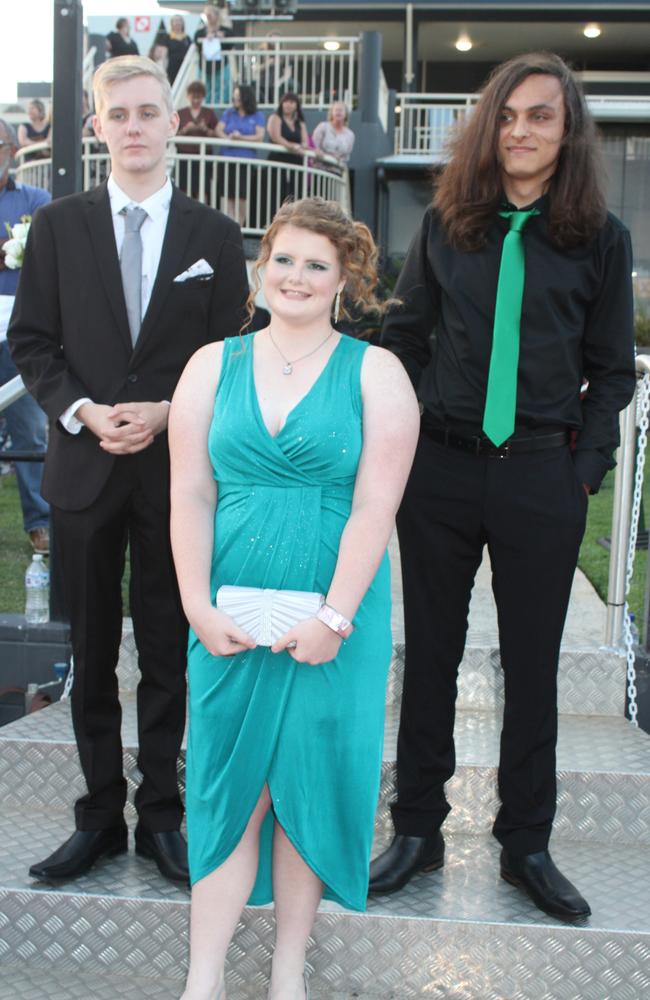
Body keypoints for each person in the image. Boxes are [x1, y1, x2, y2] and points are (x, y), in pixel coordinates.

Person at [368, 52, 636, 922]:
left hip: (541, 476)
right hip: (441, 472)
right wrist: (401, 438)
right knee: (432, 657)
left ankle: (525, 843)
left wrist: (583, 471)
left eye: (542, 117)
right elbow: (406, 338)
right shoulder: (452, 223)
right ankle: (416, 829)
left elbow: (611, 372)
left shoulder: (600, 237)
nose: (521, 130)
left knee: (532, 667)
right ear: (492, 124)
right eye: (510, 115)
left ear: (568, 132)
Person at [168, 196, 420, 1000]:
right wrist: (197, 608)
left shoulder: (377, 372)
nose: (297, 276)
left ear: (345, 278)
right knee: (225, 789)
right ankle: (200, 983)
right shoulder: (212, 364)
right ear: (260, 268)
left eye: (318, 264)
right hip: (228, 613)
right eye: (284, 259)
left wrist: (334, 618)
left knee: (307, 786)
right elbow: (190, 495)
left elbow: (376, 509)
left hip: (331, 618)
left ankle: (287, 978)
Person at [9, 55, 249, 886]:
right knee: (90, 647)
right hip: (83, 468)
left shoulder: (213, 236)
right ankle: (100, 814)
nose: (137, 126)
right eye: (122, 114)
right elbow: (33, 344)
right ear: (97, 124)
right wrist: (81, 411)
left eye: (151, 111)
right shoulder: (58, 228)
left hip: (176, 477)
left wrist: (169, 412)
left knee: (167, 649)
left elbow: (229, 358)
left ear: (175, 120)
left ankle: (162, 816)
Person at [0, 118, 50, 554]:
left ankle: (40, 523)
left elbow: (51, 252)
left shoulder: (35, 201)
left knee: (31, 429)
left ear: (13, 150)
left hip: (16, 337)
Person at [216, 85, 265, 227]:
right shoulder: (229, 113)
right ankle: (228, 225)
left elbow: (259, 136)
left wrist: (241, 138)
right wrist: (228, 137)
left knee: (242, 195)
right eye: (234, 96)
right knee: (227, 193)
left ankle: (239, 226)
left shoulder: (257, 115)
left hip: (245, 161)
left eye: (238, 96)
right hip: (227, 158)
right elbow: (218, 129)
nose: (235, 99)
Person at [177, 81, 219, 202]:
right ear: (188, 96)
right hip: (185, 154)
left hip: (204, 155)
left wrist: (205, 129)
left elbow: (216, 134)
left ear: (203, 97)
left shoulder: (209, 113)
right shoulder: (181, 113)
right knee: (185, 187)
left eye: (199, 97)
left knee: (204, 187)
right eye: (193, 97)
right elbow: (173, 134)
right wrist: (185, 130)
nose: (195, 100)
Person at [266, 92, 309, 207]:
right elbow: (276, 137)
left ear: (296, 105)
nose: (288, 105)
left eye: (291, 102)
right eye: (285, 102)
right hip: (278, 160)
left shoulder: (300, 122)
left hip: (296, 161)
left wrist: (303, 146)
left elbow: (305, 140)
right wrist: (292, 146)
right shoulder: (275, 117)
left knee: (295, 194)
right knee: (276, 193)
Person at [194, 4, 233, 106]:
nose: (209, 16)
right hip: (205, 65)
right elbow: (197, 41)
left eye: (211, 14)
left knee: (221, 87)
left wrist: (219, 35)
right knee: (205, 87)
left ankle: (220, 105)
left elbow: (231, 43)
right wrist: (207, 36)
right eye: (207, 14)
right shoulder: (200, 31)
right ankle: (206, 105)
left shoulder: (225, 30)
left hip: (221, 64)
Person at [311, 102, 355, 171]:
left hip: (337, 171)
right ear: (331, 113)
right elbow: (313, 146)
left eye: (341, 110)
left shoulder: (350, 135)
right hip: (320, 170)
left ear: (346, 114)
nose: (338, 112)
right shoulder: (323, 127)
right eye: (336, 110)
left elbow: (346, 156)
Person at [156, 15, 191, 86]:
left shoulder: (187, 38)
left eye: (179, 21)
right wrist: (163, 68)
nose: (178, 23)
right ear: (172, 23)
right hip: (172, 67)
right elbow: (164, 55)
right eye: (175, 21)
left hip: (185, 66)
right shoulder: (167, 37)